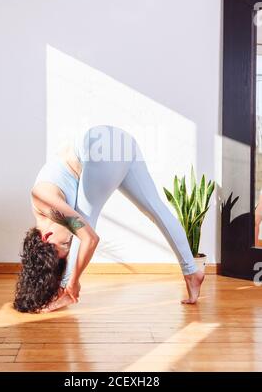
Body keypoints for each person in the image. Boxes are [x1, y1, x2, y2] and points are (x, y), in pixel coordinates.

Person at [13, 125, 204, 313]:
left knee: (85, 220)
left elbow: (90, 238)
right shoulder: (49, 211)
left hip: (99, 147)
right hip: (121, 142)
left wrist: (73, 282)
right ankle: (191, 272)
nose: (68, 244)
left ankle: (67, 291)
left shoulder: (47, 202)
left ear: (46, 237)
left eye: (63, 245)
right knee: (156, 210)